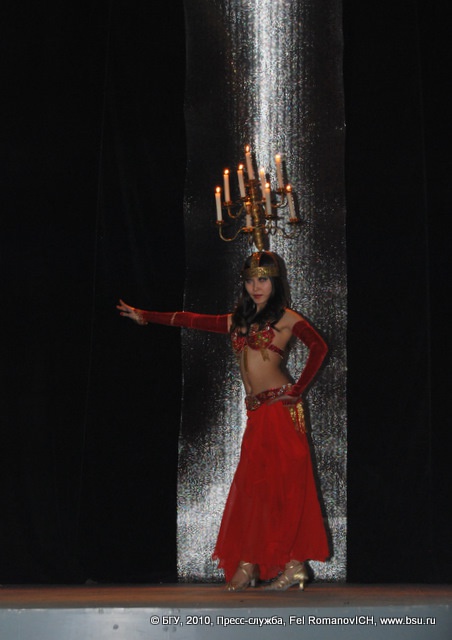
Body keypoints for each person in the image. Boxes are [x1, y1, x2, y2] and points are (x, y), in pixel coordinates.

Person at [117, 250, 330, 591]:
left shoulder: (287, 318)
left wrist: (298, 390)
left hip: (279, 411)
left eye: (263, 280)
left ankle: (289, 565)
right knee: (253, 488)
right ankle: (255, 564)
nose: (256, 287)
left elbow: (319, 348)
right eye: (250, 280)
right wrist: (146, 316)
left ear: (275, 283)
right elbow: (189, 319)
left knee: (282, 486)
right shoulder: (237, 320)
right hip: (257, 413)